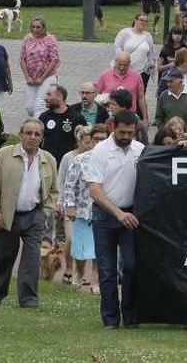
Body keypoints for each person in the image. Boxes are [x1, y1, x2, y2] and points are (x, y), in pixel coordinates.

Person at [0, 119, 59, 307]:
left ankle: (29, 300)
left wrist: (45, 211)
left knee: (32, 259)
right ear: (20, 135)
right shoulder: (5, 155)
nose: (32, 137)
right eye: (28, 133)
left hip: (34, 215)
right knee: (3, 257)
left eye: (37, 134)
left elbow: (53, 191)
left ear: (42, 138)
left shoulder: (48, 160)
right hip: (7, 215)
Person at [84, 109, 145, 328]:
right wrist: (118, 213)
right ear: (112, 128)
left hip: (131, 215)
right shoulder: (100, 151)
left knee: (131, 266)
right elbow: (95, 190)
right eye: (122, 132)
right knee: (107, 270)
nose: (126, 137)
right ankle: (110, 319)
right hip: (105, 215)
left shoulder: (140, 150)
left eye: (130, 133)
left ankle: (130, 315)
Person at [62, 124, 109, 294]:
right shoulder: (80, 160)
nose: (99, 142)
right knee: (81, 249)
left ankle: (95, 282)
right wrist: (70, 206)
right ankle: (79, 273)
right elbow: (69, 185)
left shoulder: (112, 160)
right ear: (90, 141)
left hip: (104, 211)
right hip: (82, 211)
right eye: (96, 139)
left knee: (100, 249)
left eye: (103, 139)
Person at [19, 17, 60, 118]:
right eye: (33, 27)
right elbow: (22, 58)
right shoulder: (27, 39)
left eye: (38, 27)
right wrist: (27, 76)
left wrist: (42, 77)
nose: (35, 30)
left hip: (47, 77)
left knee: (40, 105)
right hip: (31, 77)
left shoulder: (50, 40)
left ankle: (38, 129)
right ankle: (44, 119)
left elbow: (54, 60)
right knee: (30, 107)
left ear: (43, 28)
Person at [96, 52, 149, 126]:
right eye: (119, 64)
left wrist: (145, 118)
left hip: (130, 115)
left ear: (130, 63)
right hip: (110, 115)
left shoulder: (136, 76)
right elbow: (97, 95)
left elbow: (141, 98)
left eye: (125, 65)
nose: (122, 67)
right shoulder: (105, 75)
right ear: (115, 62)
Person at [40, 84, 88, 164]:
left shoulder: (76, 118)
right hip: (48, 163)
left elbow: (85, 140)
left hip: (69, 163)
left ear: (60, 97)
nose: (45, 98)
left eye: (49, 95)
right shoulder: (44, 117)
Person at [114, 12, 158, 91]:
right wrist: (123, 61)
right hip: (125, 68)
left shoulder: (148, 36)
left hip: (143, 71)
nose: (143, 23)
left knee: (140, 94)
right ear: (135, 20)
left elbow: (151, 53)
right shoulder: (124, 32)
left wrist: (151, 65)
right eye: (141, 20)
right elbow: (117, 47)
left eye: (145, 21)